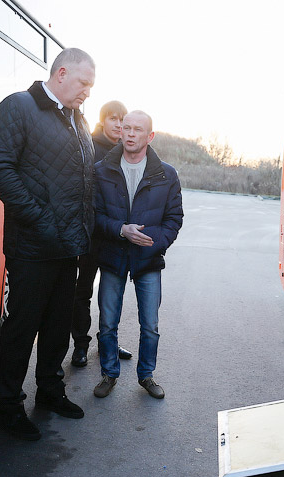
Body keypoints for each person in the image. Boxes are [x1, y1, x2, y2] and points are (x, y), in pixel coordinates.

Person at [0, 48, 96, 440]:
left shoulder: (77, 119)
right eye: (84, 83)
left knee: (57, 328)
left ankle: (50, 391)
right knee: (22, 329)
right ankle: (8, 407)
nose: (87, 92)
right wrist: (42, 220)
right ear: (62, 73)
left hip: (68, 247)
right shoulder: (19, 107)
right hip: (32, 247)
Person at [92, 110, 183, 399]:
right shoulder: (101, 169)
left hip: (147, 260)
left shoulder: (167, 175)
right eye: (127, 128)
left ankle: (146, 375)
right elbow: (93, 215)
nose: (130, 134)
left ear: (150, 136)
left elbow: (174, 219)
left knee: (151, 326)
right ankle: (109, 373)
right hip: (112, 256)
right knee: (107, 322)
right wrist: (121, 230)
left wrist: (152, 242)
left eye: (138, 129)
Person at [70, 100, 132, 367]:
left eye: (122, 120)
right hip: (89, 236)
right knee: (82, 292)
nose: (118, 125)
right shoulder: (88, 145)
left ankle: (109, 342)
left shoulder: (127, 151)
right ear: (103, 120)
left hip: (115, 237)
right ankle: (80, 346)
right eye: (113, 119)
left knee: (112, 294)